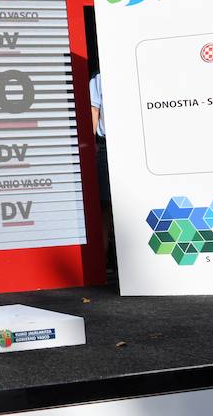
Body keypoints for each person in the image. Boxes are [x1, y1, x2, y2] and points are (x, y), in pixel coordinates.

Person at [89, 71, 116, 275]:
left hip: (138, 144)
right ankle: (103, 264)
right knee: (105, 206)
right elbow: (93, 113)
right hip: (106, 146)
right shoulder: (99, 79)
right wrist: (90, 147)